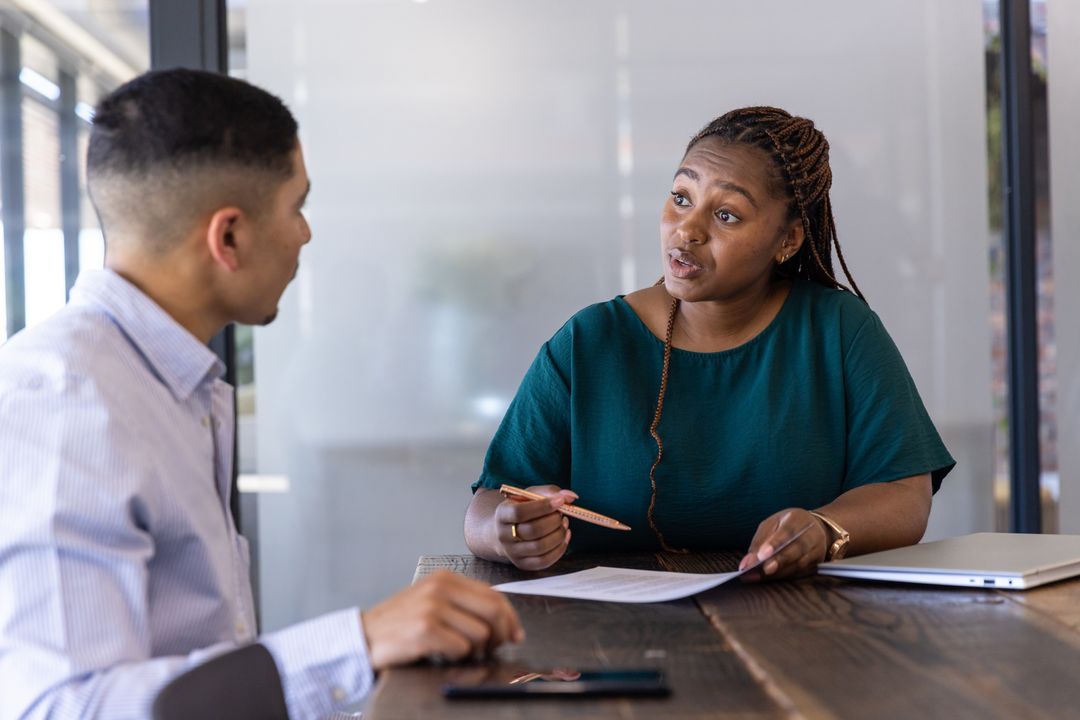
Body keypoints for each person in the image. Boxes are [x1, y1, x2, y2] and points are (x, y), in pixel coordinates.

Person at [0, 69, 522, 720]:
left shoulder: (172, 385)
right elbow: (62, 707)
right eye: (296, 206)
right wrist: (358, 644)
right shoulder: (66, 401)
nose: (305, 234)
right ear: (229, 237)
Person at [464, 106, 955, 578]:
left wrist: (826, 529)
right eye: (681, 197)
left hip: (798, 632)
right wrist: (507, 531)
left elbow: (905, 494)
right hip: (608, 640)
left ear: (788, 241)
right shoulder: (589, 342)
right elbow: (487, 505)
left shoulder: (839, 331)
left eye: (727, 215)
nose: (688, 229)